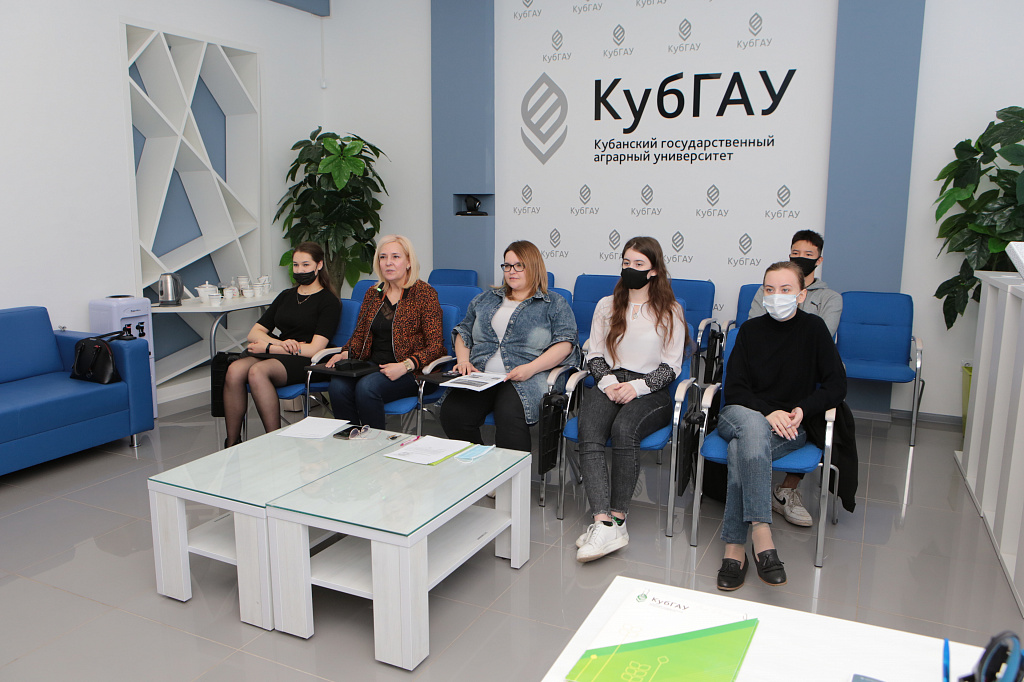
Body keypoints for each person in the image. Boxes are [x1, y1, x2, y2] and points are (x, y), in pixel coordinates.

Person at [716, 261, 846, 591]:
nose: (777, 296)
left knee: (741, 450)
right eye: (770, 290)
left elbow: (836, 385)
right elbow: (735, 389)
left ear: (801, 295)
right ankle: (762, 532)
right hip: (740, 413)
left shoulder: (814, 329)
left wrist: (803, 409)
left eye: (786, 289)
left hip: (789, 424)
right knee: (752, 426)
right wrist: (768, 411)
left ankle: (734, 547)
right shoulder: (750, 331)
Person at [574, 236, 691, 563]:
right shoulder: (606, 305)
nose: (630, 269)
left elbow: (671, 367)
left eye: (639, 264)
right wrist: (610, 382)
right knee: (590, 432)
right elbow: (594, 353)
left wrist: (636, 387)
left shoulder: (670, 310)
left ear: (654, 270)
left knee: (625, 429)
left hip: (651, 390)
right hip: (610, 381)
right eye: (626, 263)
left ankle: (618, 518)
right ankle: (603, 522)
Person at [440, 240, 579, 452]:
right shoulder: (484, 299)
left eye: (518, 265)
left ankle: (513, 473)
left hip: (528, 375)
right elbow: (463, 331)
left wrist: (530, 369)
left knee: (509, 415)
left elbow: (565, 344)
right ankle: (481, 464)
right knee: (453, 413)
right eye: (507, 265)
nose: (511, 271)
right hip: (482, 374)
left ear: (533, 266)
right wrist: (463, 360)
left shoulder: (554, 303)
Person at [747, 229, 843, 527]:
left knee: (797, 418)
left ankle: (786, 489)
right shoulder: (765, 294)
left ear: (819, 260)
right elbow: (755, 329)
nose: (801, 258)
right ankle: (760, 518)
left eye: (808, 255)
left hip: (806, 375)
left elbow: (819, 340)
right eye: (795, 253)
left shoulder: (829, 298)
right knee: (748, 436)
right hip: (763, 373)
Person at [223, 242, 341, 446]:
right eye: (296, 265)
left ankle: (275, 443)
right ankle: (232, 444)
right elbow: (254, 333)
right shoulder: (286, 296)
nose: (300, 270)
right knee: (234, 369)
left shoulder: (328, 301)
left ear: (319, 265)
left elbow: (315, 348)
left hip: (308, 360)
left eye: (305, 265)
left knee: (257, 371)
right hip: (282, 352)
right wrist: (280, 344)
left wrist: (270, 347)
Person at [325, 235, 445, 429]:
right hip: (374, 365)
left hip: (412, 372)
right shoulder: (374, 293)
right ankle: (352, 437)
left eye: (395, 257)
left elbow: (436, 346)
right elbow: (360, 334)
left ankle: (374, 443)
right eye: (383, 257)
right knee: (338, 386)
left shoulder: (424, 293)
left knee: (367, 387)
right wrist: (345, 353)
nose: (388, 262)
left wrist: (405, 366)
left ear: (408, 262)